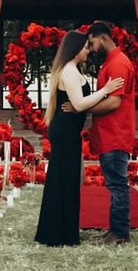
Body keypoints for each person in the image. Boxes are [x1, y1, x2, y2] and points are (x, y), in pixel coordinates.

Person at [34, 30, 124, 247]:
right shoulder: (70, 71)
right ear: (75, 50)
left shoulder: (71, 70)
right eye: (85, 47)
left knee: (65, 178)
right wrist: (105, 90)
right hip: (65, 130)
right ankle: (59, 233)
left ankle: (60, 231)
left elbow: (79, 104)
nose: (88, 51)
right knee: (64, 179)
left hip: (67, 130)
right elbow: (80, 103)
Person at [64, 21, 137, 245]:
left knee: (117, 185)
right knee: (114, 184)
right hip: (108, 134)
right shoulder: (112, 62)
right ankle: (114, 230)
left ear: (103, 38)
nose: (92, 48)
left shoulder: (118, 64)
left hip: (116, 134)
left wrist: (81, 107)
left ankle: (121, 234)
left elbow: (114, 102)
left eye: (92, 43)